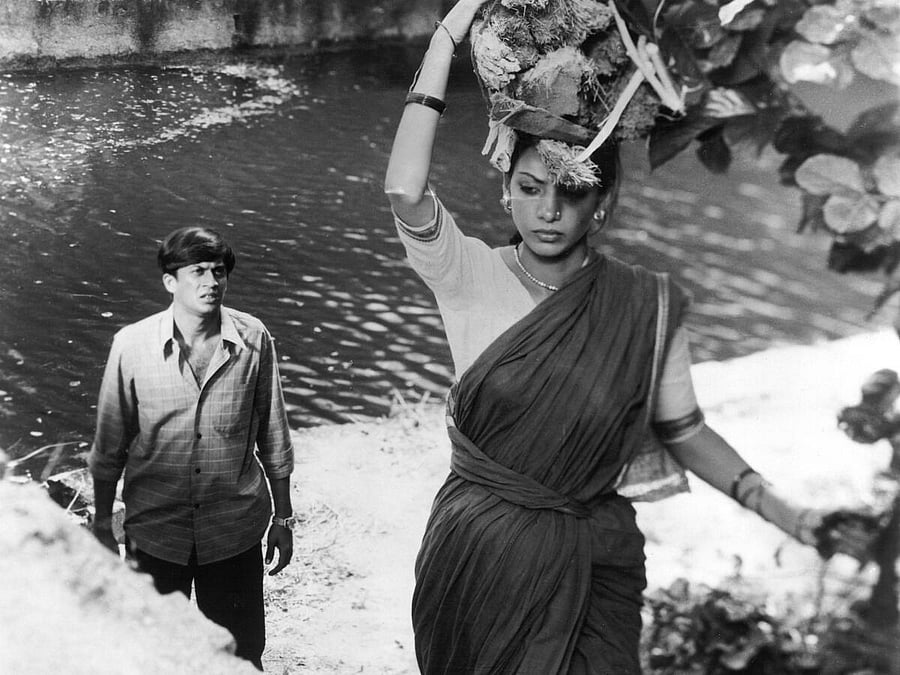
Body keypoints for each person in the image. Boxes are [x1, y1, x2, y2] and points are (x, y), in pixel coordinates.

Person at [384, 1, 873, 672]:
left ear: (603, 203)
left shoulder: (645, 304)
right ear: (506, 193)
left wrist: (790, 515)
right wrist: (448, 36)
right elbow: (406, 190)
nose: (548, 209)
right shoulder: (466, 275)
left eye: (570, 192)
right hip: (483, 550)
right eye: (529, 188)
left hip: (598, 556)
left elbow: (684, 429)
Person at [88, 226, 295, 671]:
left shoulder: (254, 339)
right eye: (198, 271)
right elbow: (108, 447)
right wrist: (103, 524)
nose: (211, 282)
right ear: (170, 282)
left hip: (233, 531)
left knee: (241, 655)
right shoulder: (131, 346)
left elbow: (274, 433)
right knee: (152, 655)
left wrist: (283, 516)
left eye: (219, 272)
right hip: (156, 531)